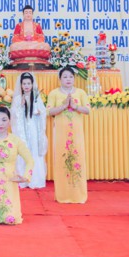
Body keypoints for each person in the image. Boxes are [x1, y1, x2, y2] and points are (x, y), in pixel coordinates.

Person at [46, 67, 90, 203]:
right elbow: (49, 112)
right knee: (62, 160)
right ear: (60, 79)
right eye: (65, 77)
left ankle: (78, 195)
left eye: (70, 76)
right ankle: (63, 195)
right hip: (60, 133)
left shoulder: (81, 93)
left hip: (76, 133)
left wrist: (75, 106)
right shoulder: (54, 93)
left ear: (74, 78)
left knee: (78, 159)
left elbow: (87, 110)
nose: (68, 79)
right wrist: (64, 106)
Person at [10, 72, 47, 188]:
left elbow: (43, 111)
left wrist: (39, 112)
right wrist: (20, 106)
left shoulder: (36, 97)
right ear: (21, 85)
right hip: (22, 131)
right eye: (24, 83)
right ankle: (23, 179)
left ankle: (35, 179)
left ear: (32, 84)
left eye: (29, 83)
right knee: (23, 151)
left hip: (34, 129)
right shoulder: (17, 99)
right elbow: (13, 116)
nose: (26, 86)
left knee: (34, 151)